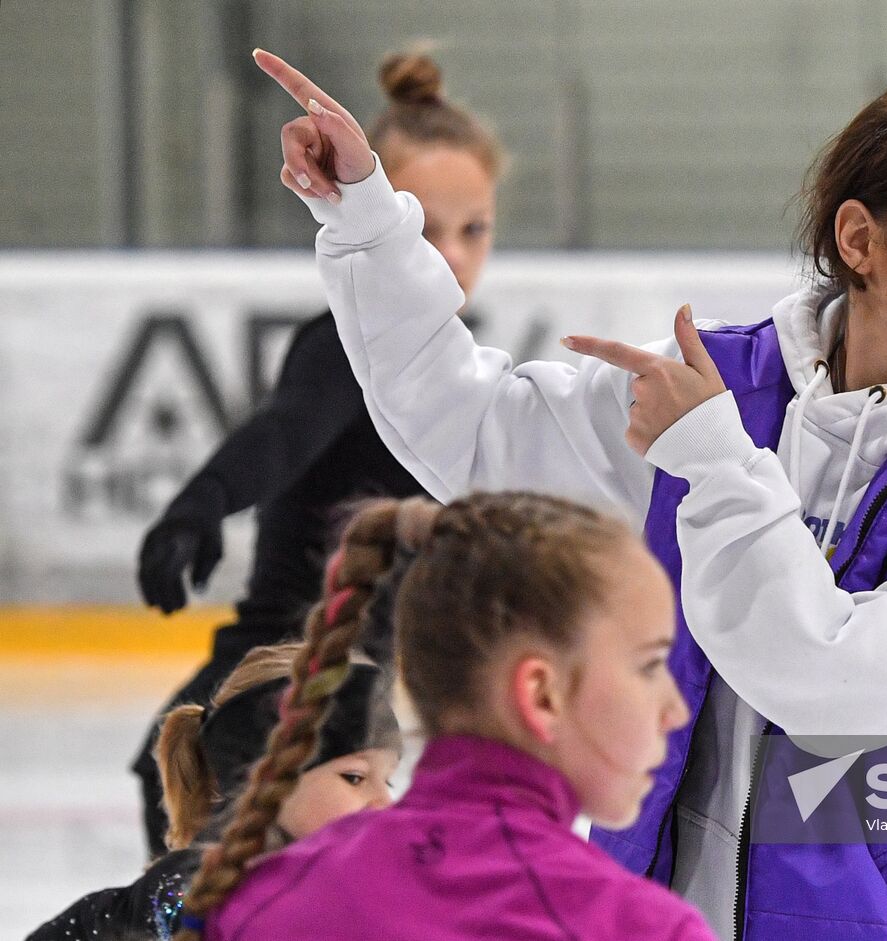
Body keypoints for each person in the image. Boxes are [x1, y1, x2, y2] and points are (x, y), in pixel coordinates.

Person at [256, 48, 887, 940]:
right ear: (859, 240)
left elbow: (833, 691)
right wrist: (365, 221)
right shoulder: (721, 394)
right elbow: (468, 425)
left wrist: (713, 461)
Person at [131, 48, 502, 857]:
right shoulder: (349, 343)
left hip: (345, 684)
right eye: (427, 226)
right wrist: (200, 503)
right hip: (287, 665)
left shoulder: (456, 364)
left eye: (474, 229)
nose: (455, 255)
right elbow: (285, 431)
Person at [172, 493, 715, 941]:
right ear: (540, 694)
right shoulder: (636, 928)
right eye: (648, 666)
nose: (674, 709)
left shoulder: (260, 901)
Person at [27, 642, 400, 941]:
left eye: (390, 779)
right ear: (262, 782)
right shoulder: (197, 894)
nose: (385, 803)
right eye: (354, 777)